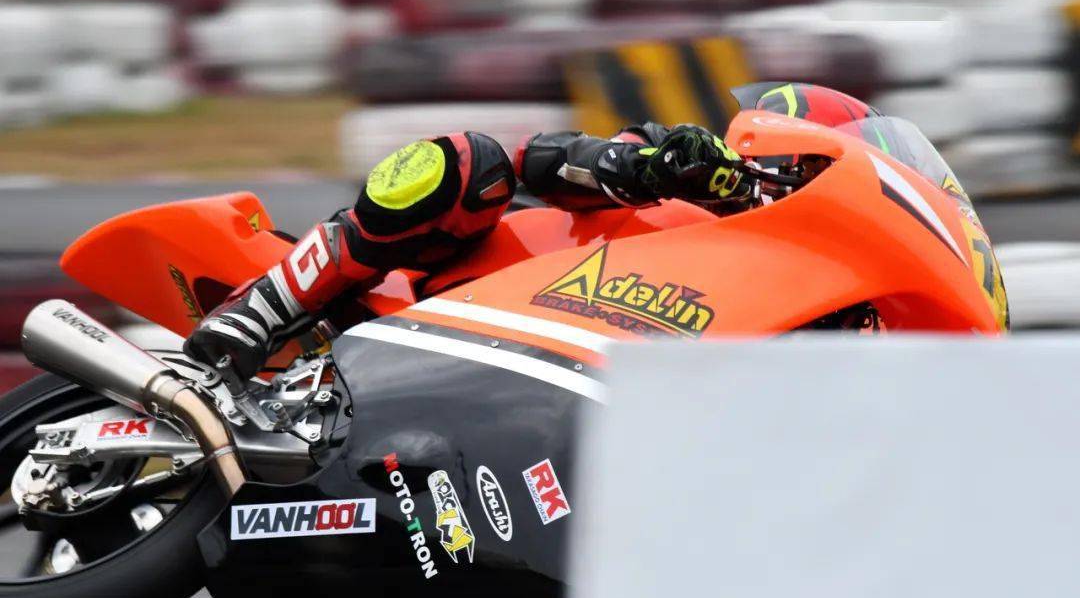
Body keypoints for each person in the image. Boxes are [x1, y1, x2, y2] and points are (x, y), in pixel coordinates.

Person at [183, 122, 752, 380]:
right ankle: (258, 311)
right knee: (470, 163)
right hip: (468, 291)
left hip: (565, 384)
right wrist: (648, 166)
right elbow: (544, 158)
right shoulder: (705, 174)